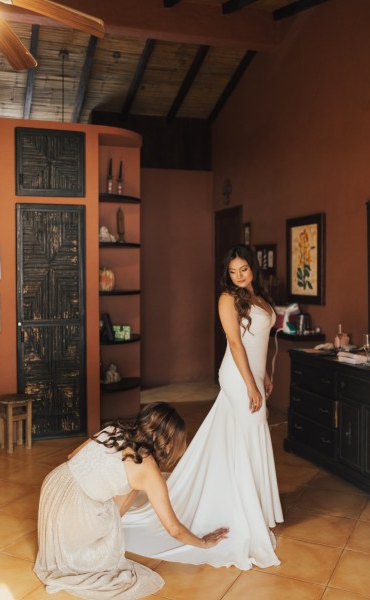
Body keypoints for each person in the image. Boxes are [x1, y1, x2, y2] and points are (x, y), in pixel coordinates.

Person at [122, 244, 283, 570]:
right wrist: (251, 384)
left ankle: (257, 510)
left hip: (252, 374)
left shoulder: (260, 298)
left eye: (244, 270)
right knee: (247, 437)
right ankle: (246, 514)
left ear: (253, 269)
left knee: (250, 438)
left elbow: (258, 343)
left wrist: (263, 374)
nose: (239, 276)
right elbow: (236, 343)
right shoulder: (227, 299)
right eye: (233, 271)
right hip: (237, 378)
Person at [33, 402, 229, 600]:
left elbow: (72, 456)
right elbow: (174, 529)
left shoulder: (113, 430)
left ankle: (101, 519)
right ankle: (102, 528)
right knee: (129, 491)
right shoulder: (148, 470)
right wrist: (203, 543)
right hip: (73, 509)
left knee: (128, 486)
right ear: (167, 441)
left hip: (53, 487)